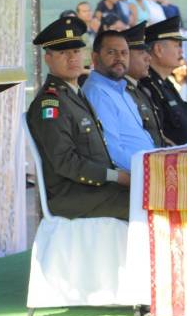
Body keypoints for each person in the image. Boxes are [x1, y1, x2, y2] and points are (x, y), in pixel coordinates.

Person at [27, 17, 130, 220]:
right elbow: (65, 161)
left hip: (97, 189)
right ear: (48, 59)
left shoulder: (75, 93)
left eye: (75, 51)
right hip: (73, 196)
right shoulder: (51, 103)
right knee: (148, 205)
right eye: (63, 53)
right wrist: (116, 177)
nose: (72, 58)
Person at [82, 29, 156, 170]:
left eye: (124, 53)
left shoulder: (121, 89)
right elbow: (113, 151)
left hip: (147, 169)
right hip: (132, 178)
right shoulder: (98, 93)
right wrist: (149, 172)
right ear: (95, 58)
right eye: (111, 52)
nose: (119, 58)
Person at [140, 16, 187, 145]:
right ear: (158, 50)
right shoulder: (148, 86)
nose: (181, 51)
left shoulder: (165, 82)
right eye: (177, 46)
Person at [123, 22, 167, 148]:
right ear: (125, 56)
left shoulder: (141, 88)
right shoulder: (122, 91)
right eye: (141, 53)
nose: (149, 58)